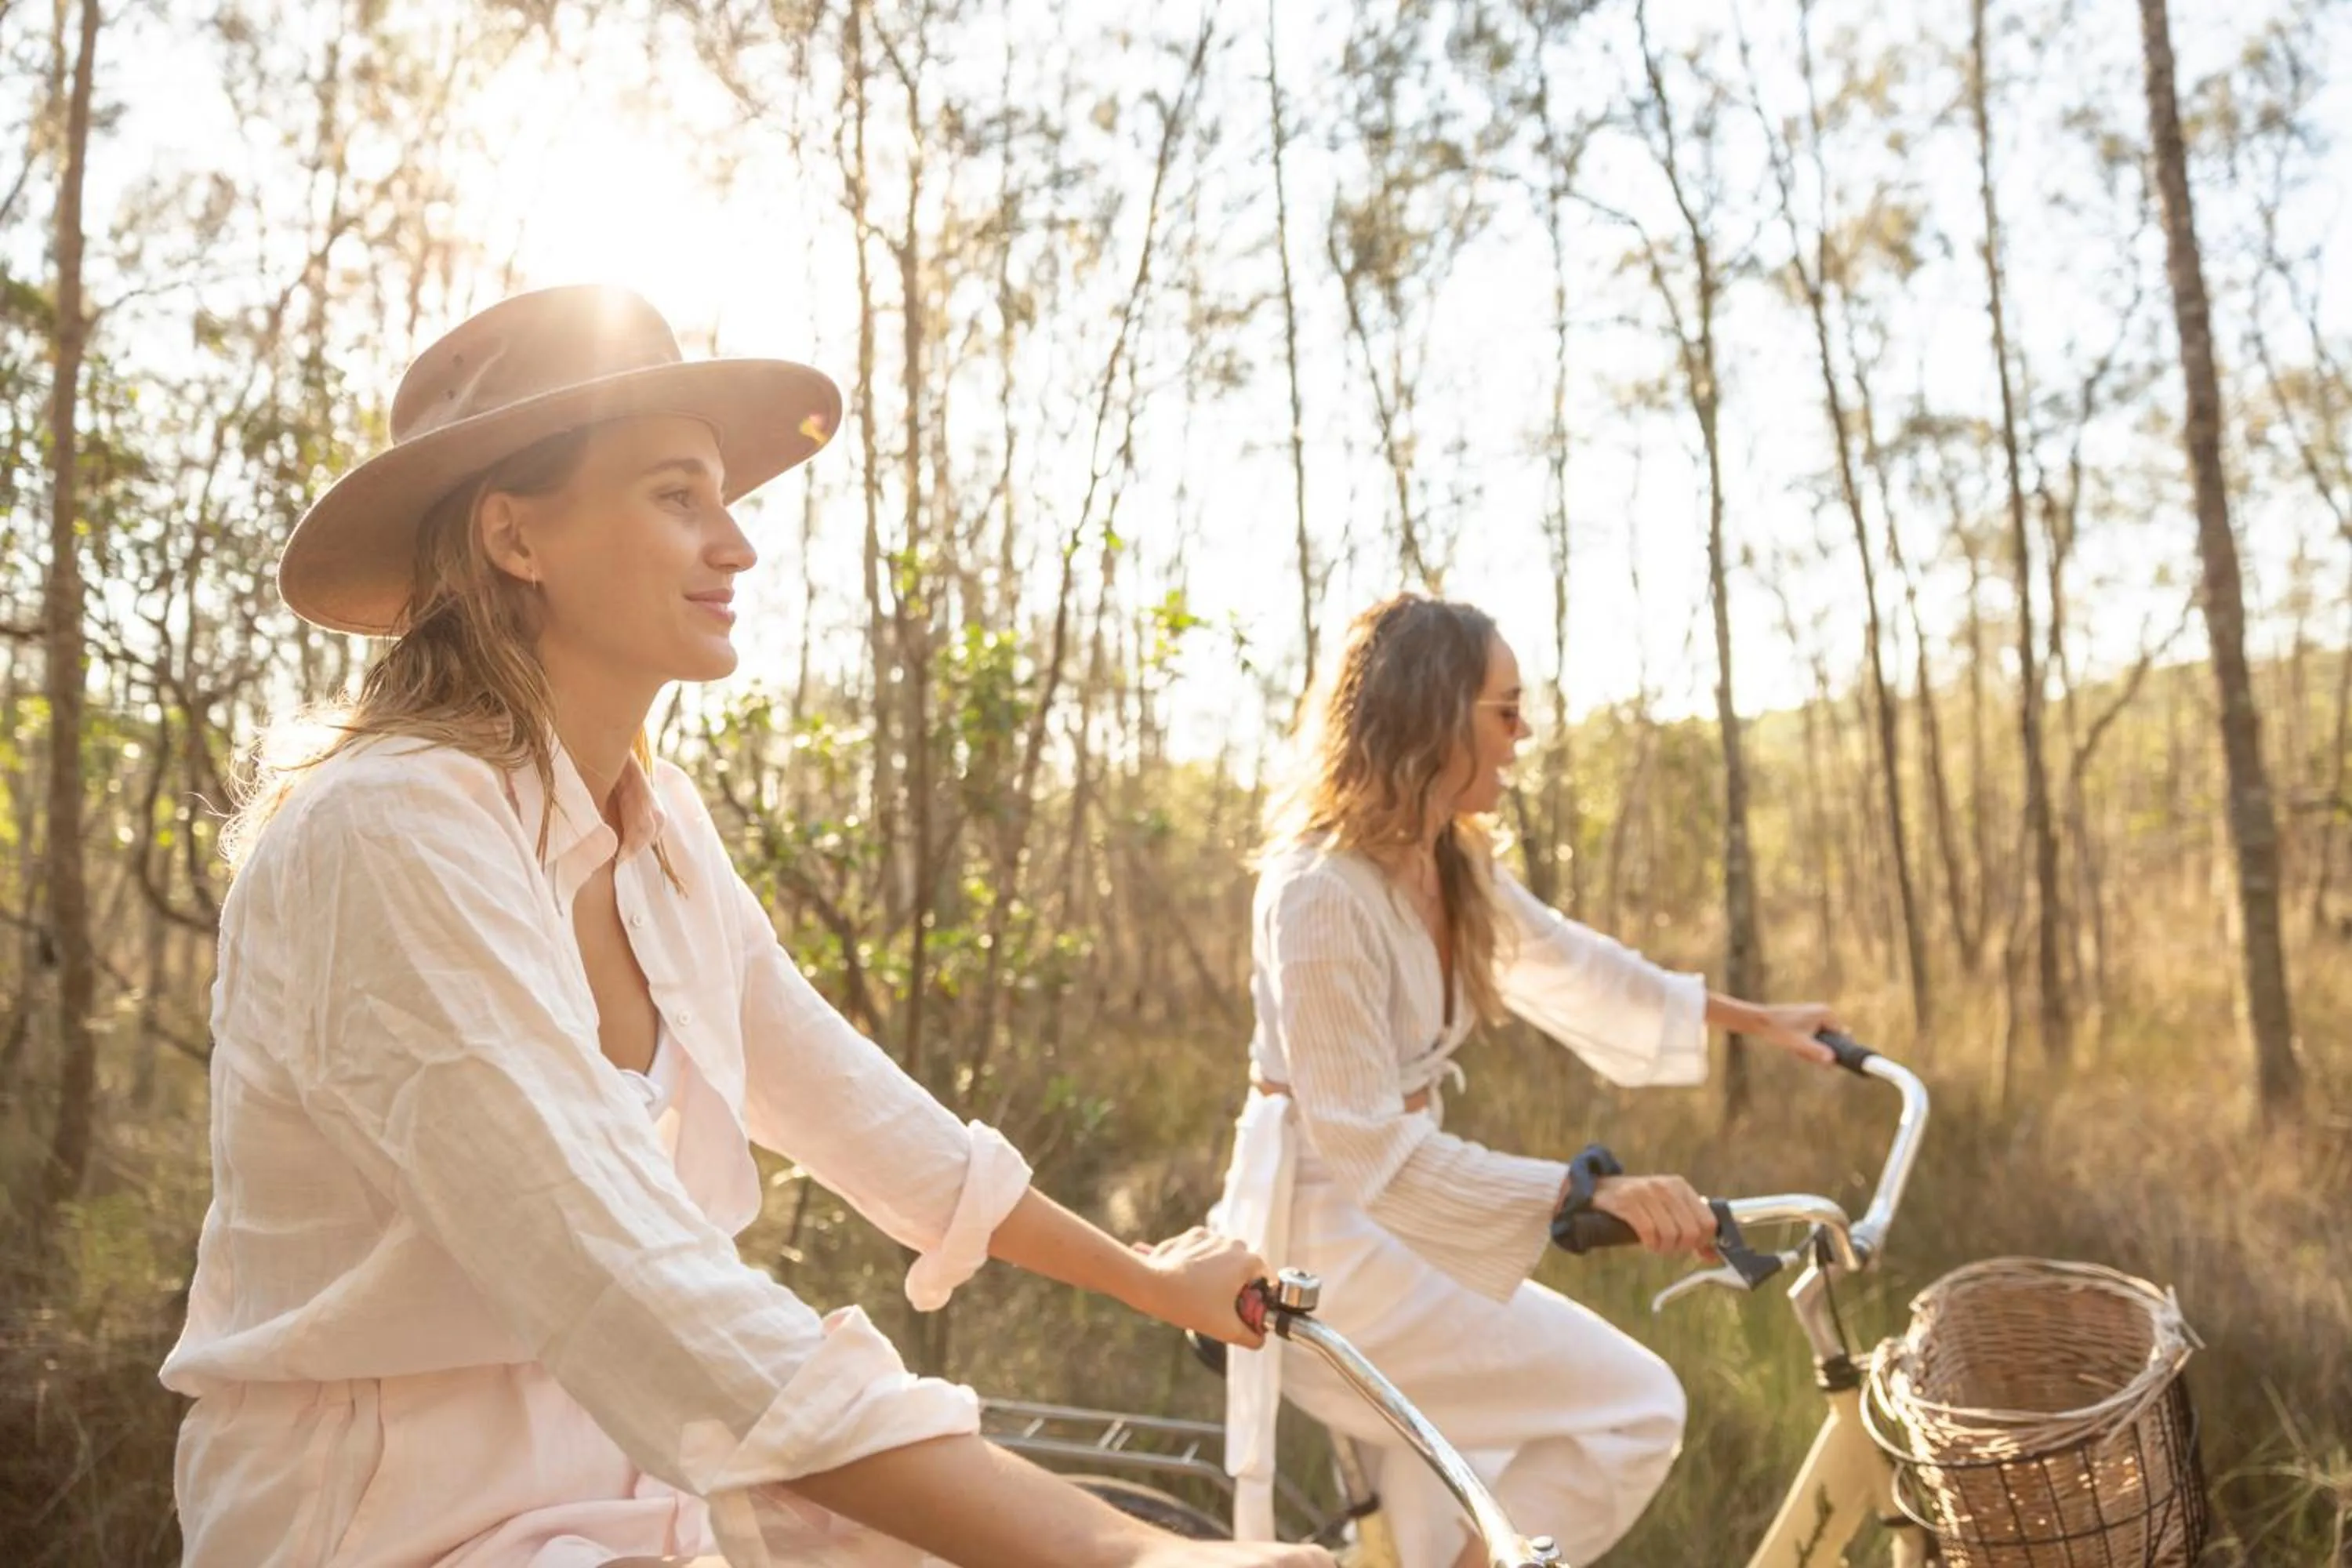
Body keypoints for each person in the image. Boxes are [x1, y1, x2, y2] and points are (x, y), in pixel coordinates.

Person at [162, 284, 1330, 1568]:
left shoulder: (664, 835)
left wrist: (1149, 1279)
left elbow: (868, 1118)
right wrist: (1127, 1555)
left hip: (649, 1495)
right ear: (516, 537)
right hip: (395, 1519)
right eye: (677, 496)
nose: (737, 545)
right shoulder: (384, 835)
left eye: (725, 498)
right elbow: (619, 1270)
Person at [1209, 593, 1840, 1566]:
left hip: (1409, 1212)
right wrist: (1585, 1191)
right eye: (1505, 709)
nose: (1526, 731)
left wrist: (1761, 1022)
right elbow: (1368, 1148)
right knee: (1635, 1408)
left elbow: (1579, 964)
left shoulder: (1444, 856)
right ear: (1431, 714)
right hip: (1335, 1240)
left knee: (1450, 1520)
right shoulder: (1319, 894)